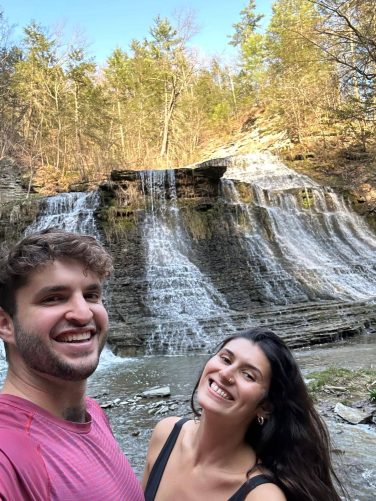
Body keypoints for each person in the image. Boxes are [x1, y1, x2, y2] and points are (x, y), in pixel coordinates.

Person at [0, 228, 144, 501]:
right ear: (5, 324)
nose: (83, 313)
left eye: (91, 295)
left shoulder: (94, 414)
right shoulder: (7, 454)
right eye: (53, 297)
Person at [142, 327, 347, 501]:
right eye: (225, 359)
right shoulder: (165, 432)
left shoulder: (262, 495)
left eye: (248, 375)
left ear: (265, 406)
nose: (225, 374)